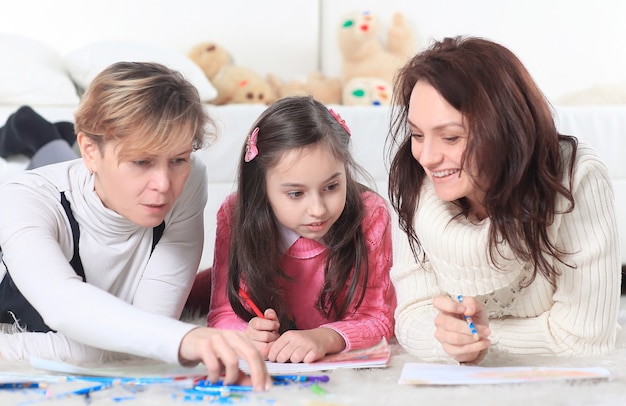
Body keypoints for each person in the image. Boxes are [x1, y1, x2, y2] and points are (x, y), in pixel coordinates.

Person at [0, 62, 270, 390]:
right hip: (49, 193)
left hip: (88, 174)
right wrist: (186, 338)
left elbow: (152, 325)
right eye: (141, 161)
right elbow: (64, 306)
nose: (164, 184)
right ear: (90, 149)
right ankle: (33, 129)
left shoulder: (188, 177)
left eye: (178, 159)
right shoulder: (24, 198)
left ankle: (49, 137)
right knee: (53, 164)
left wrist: (163, 336)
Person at [386, 36, 621, 364]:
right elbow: (412, 317)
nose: (426, 157)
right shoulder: (413, 184)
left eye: (451, 137)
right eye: (418, 134)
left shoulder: (575, 177)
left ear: (506, 128)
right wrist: (454, 342)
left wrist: (484, 338)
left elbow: (585, 339)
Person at [204, 95, 395, 363]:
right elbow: (222, 314)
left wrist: (325, 338)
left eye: (331, 187)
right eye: (296, 193)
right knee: (196, 289)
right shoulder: (235, 214)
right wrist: (246, 335)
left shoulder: (369, 214)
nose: (317, 209)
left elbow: (377, 318)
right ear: (262, 188)